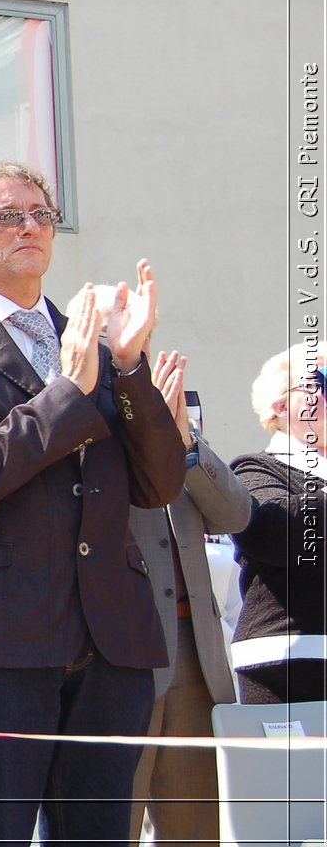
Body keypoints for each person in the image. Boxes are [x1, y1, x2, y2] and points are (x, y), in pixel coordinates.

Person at [0, 161, 185, 844]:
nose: (30, 226)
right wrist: (68, 393)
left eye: (41, 215)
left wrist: (132, 366)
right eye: (8, 215)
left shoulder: (97, 339)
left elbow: (160, 484)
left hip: (109, 641)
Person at [127, 349, 251, 844]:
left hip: (194, 654)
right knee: (111, 822)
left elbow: (237, 516)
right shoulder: (98, 441)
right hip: (123, 655)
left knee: (195, 827)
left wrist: (185, 441)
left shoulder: (183, 449)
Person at [230, 344, 327, 703]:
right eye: (320, 382)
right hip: (291, 662)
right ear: (281, 406)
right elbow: (277, 534)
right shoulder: (253, 468)